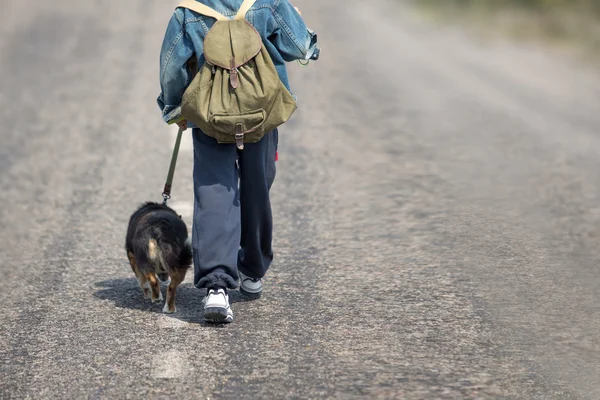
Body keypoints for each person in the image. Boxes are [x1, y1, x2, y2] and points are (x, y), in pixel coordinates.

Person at [157, 0, 319, 323]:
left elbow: (172, 67)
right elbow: (298, 45)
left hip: (210, 115)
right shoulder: (266, 2)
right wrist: (309, 48)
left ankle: (217, 286)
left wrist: (174, 107)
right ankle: (252, 268)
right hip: (262, 114)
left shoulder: (188, 10)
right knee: (258, 185)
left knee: (214, 190)